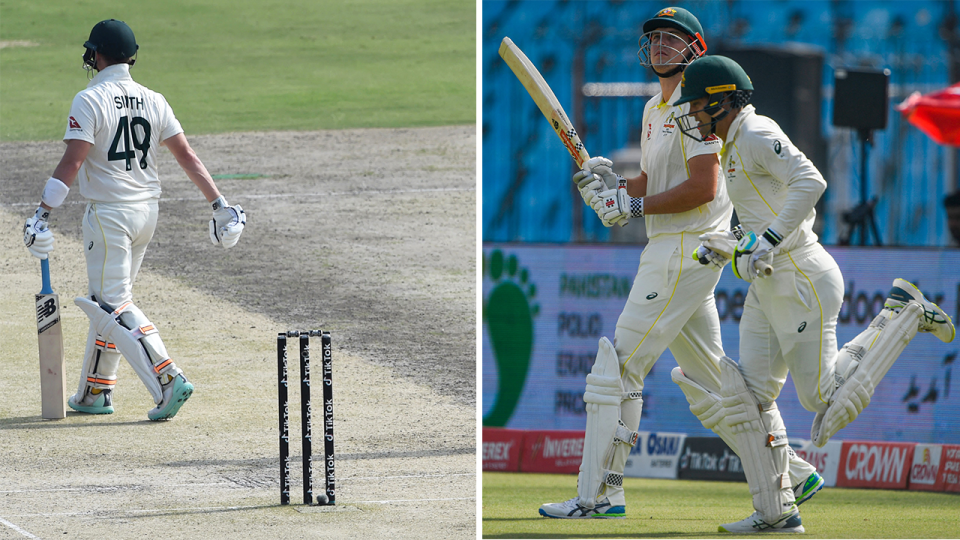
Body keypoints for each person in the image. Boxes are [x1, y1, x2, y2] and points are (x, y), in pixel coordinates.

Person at [538, 7, 821, 519]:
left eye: (673, 38)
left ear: (696, 46)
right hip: (672, 247)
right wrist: (616, 188)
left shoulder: (701, 101)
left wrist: (633, 206)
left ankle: (602, 493)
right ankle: (794, 475)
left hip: (688, 246)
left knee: (619, 366)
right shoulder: (654, 108)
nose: (661, 46)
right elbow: (655, 182)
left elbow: (702, 188)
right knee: (715, 385)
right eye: (654, 39)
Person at [674, 55, 955, 533]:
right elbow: (767, 214)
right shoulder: (733, 143)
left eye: (699, 106)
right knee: (749, 397)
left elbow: (811, 181)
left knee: (822, 398)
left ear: (723, 100)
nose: (695, 116)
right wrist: (736, 245)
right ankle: (776, 513)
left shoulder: (757, 132)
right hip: (767, 282)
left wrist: (766, 241)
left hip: (801, 274)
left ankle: (904, 313)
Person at [22, 19, 246, 421]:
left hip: (109, 215)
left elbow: (72, 162)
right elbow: (187, 157)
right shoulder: (154, 99)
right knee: (108, 301)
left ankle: (168, 377)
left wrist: (42, 214)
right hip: (147, 213)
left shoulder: (89, 99)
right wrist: (220, 205)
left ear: (97, 54)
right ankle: (95, 391)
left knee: (111, 303)